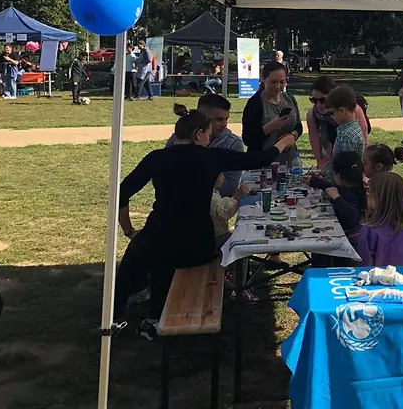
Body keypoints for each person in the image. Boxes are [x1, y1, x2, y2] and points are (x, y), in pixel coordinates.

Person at [114, 104, 296, 340]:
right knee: (172, 253)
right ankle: (154, 316)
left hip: (157, 236)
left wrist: (129, 230)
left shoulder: (156, 157)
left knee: (149, 254)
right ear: (198, 134)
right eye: (208, 134)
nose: (209, 139)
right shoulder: (210, 157)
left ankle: (120, 315)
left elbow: (122, 192)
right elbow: (259, 159)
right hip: (196, 244)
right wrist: (284, 143)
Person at [166, 93, 244, 197]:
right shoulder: (178, 138)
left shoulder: (232, 144)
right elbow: (162, 180)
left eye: (226, 119)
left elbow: (230, 190)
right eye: (219, 119)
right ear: (201, 117)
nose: (224, 124)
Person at [357, 172, 403, 267]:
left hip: (384, 275)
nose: (366, 194)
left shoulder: (369, 231)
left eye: (369, 191)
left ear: (379, 198)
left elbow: (365, 265)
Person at [311, 151, 367, 267]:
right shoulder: (352, 187)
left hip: (350, 243)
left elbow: (352, 215)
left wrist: (336, 197)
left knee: (338, 266)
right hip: (344, 236)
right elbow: (334, 188)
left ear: (338, 176)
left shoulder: (351, 194)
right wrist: (316, 182)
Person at [241, 61, 303, 167]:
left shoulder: (289, 99)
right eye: (273, 82)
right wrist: (270, 127)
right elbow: (248, 139)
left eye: (282, 82)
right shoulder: (255, 103)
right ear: (263, 79)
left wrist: (292, 135)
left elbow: (298, 126)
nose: (278, 86)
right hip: (262, 162)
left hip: (289, 159)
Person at [306, 75, 370, 170]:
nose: (318, 105)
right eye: (314, 100)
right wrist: (322, 166)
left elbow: (364, 142)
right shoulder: (313, 115)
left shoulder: (353, 110)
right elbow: (315, 143)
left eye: (322, 100)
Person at [322, 85, 366, 183]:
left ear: (342, 111)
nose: (331, 117)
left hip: (344, 185)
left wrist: (326, 174)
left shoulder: (346, 135)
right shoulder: (352, 128)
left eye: (332, 113)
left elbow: (344, 169)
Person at [211, 174, 250, 248]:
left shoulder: (214, 192)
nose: (224, 177)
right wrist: (237, 196)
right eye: (221, 175)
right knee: (242, 241)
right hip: (217, 238)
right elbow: (223, 212)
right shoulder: (212, 197)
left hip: (219, 234)